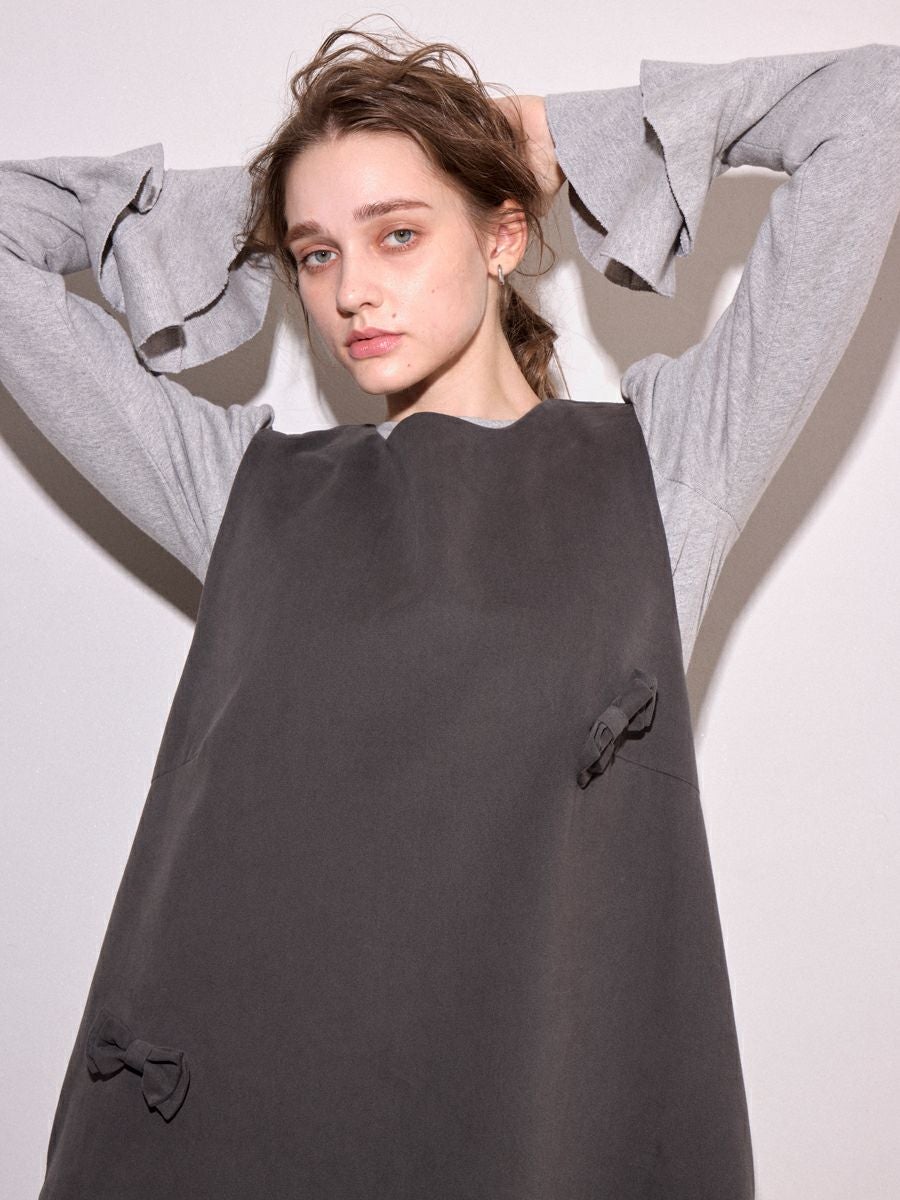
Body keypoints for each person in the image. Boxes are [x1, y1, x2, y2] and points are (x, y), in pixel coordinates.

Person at [1, 16, 898, 1198]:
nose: (352, 291)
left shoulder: (666, 470)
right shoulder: (246, 493)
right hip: (247, 1131)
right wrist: (252, 210)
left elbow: (872, 107)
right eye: (316, 256)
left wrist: (562, 138)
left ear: (503, 234)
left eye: (399, 233)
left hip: (532, 1131)